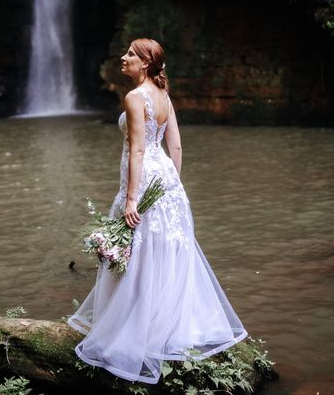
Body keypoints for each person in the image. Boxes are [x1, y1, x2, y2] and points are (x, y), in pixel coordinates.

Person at [68, 38, 247, 384]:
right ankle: (161, 327)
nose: (123, 57)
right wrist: (172, 185)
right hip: (165, 179)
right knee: (161, 250)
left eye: (131, 55)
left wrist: (132, 199)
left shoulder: (136, 98)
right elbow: (175, 144)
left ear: (146, 63)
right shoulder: (163, 96)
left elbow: (136, 150)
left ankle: (134, 332)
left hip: (142, 179)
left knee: (137, 253)